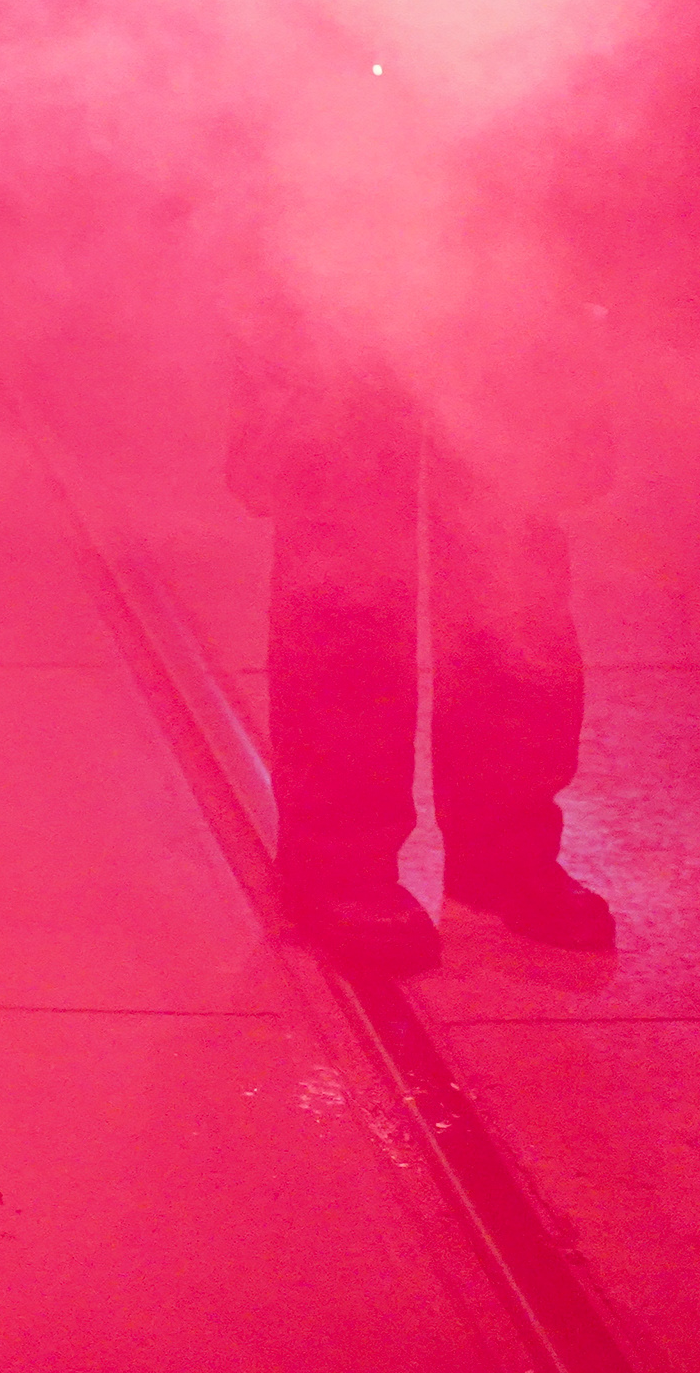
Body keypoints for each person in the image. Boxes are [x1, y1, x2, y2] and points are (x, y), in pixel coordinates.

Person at [228, 166, 618, 973]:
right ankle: (338, 860)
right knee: (347, 565)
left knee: (511, 572)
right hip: (332, 204)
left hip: (508, 210)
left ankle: (505, 850)